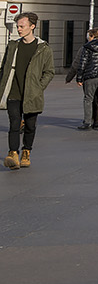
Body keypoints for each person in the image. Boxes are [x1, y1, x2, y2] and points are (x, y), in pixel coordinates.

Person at [3, 13, 55, 169]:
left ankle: (26, 152)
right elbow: (4, 68)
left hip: (32, 94)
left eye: (21, 26)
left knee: (30, 126)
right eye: (18, 26)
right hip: (13, 92)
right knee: (14, 123)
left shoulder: (43, 48)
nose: (18, 29)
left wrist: (39, 87)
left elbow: (49, 71)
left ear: (32, 26)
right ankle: (13, 154)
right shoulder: (13, 46)